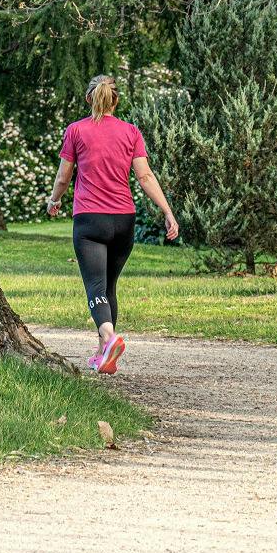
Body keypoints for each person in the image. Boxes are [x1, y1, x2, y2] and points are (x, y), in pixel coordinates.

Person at [46, 75, 179, 374]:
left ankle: (108, 336)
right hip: (124, 221)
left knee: (95, 285)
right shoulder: (130, 132)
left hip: (90, 220)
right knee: (109, 286)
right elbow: (145, 177)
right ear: (115, 101)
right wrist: (167, 212)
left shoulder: (76, 130)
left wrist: (54, 200)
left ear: (88, 99)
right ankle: (102, 355)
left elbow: (64, 177)